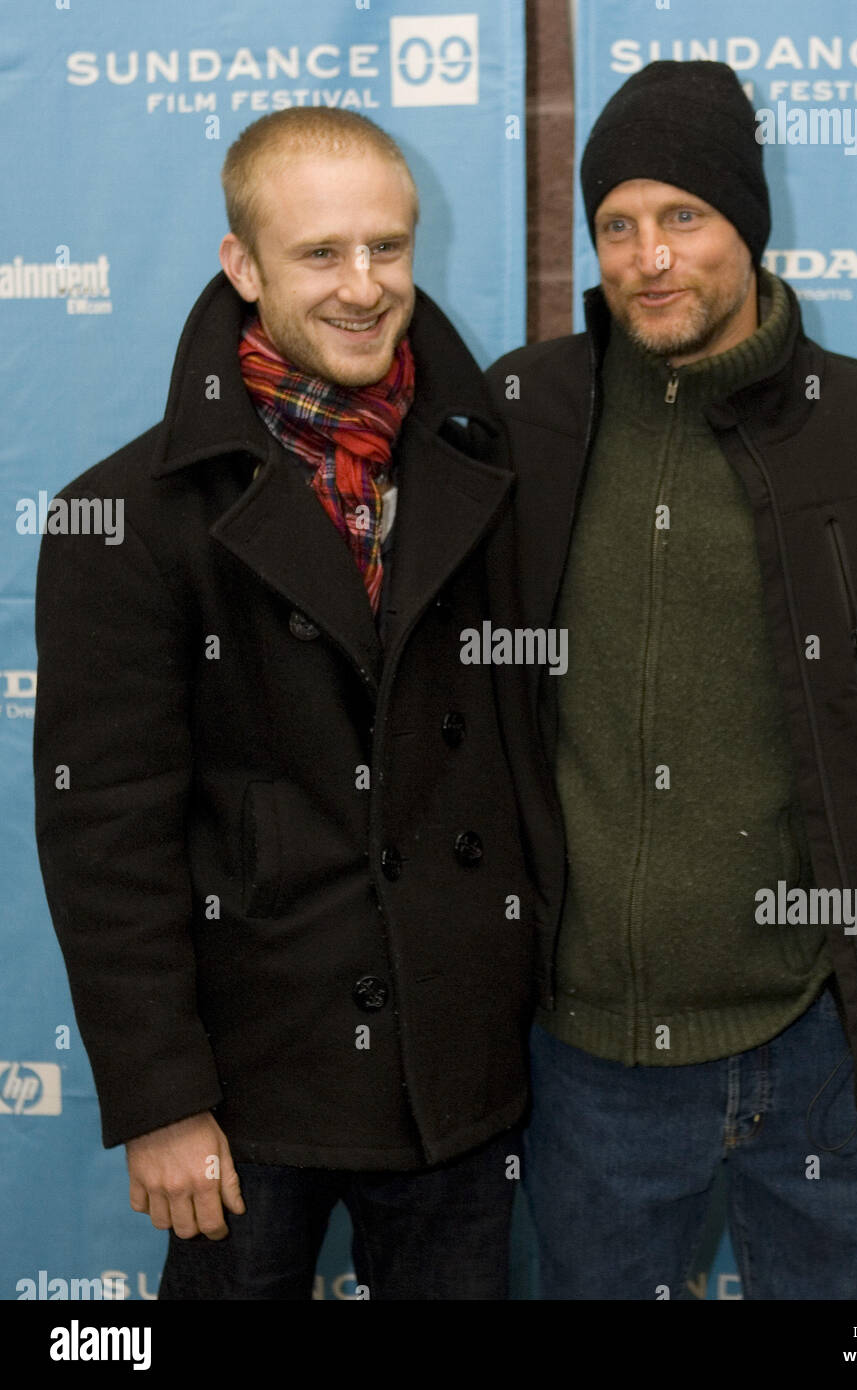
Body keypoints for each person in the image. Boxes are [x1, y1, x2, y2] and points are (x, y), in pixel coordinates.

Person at [487, 60, 857, 1301]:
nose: (647, 257)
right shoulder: (520, 419)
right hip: (591, 1052)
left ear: (747, 227)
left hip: (821, 1041)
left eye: (683, 218)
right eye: (616, 223)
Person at [33, 107, 549, 1301]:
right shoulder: (121, 519)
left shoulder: (493, 474)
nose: (364, 287)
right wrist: (162, 1100)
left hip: (461, 1078)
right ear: (243, 267)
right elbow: (105, 836)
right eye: (321, 254)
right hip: (251, 1089)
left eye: (388, 248)